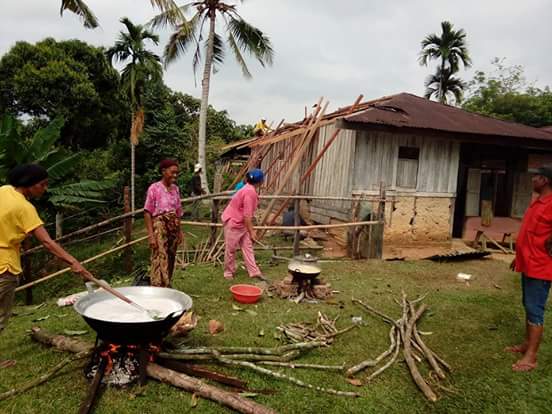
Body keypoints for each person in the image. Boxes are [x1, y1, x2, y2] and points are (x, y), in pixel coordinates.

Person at [0, 164, 92, 367]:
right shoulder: (24, 208)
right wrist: (74, 263)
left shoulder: (4, 191)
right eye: (42, 184)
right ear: (29, 184)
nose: (44, 189)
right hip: (4, 266)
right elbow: (48, 242)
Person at [507, 164, 552, 372]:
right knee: (528, 304)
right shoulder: (538, 203)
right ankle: (527, 343)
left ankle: (531, 357)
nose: (532, 179)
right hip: (528, 263)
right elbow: (530, 234)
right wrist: (519, 258)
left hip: (541, 267)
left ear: (544, 180)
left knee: (535, 310)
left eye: (536, 177)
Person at [144, 159, 184, 288]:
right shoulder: (154, 188)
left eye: (177, 173)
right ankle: (157, 285)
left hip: (173, 226)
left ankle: (167, 283)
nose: (175, 175)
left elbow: (178, 211)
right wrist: (151, 235)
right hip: (159, 226)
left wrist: (180, 232)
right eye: (172, 172)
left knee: (171, 255)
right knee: (159, 255)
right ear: (163, 171)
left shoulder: (175, 189)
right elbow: (147, 212)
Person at [222, 169, 266, 281]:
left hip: (241, 223)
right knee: (231, 248)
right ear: (261, 182)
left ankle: (254, 271)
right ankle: (228, 272)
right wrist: (252, 232)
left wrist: (250, 230)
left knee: (248, 247)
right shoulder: (249, 192)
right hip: (234, 222)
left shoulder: (248, 188)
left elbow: (247, 215)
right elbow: (247, 215)